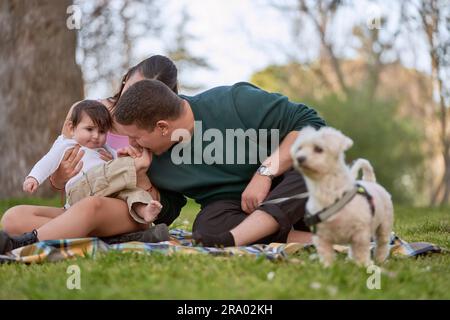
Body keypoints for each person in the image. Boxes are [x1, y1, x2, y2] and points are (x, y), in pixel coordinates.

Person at [112, 79, 326, 247]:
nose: (131, 143)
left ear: (163, 127)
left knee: (312, 163)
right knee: (207, 228)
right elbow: (166, 214)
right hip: (236, 209)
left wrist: (265, 172)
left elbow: (312, 124)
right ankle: (311, 240)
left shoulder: (234, 101)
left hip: (295, 193)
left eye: (135, 136)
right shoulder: (151, 159)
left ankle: (234, 239)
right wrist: (141, 178)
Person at [0, 56, 181, 254]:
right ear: (125, 79)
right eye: (132, 89)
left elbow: (161, 203)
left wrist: (137, 172)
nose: (134, 99)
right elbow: (60, 176)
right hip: (79, 204)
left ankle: (20, 244)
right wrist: (59, 177)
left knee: (91, 206)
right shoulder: (84, 110)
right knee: (13, 218)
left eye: (146, 96)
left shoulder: (157, 129)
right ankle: (114, 238)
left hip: (127, 209)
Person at [23, 99, 162, 225]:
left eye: (102, 132)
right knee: (124, 174)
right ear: (72, 128)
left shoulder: (104, 148)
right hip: (81, 188)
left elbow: (117, 161)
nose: (96, 136)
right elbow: (48, 161)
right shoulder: (67, 145)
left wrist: (120, 157)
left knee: (130, 192)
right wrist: (34, 177)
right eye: (89, 129)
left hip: (107, 189)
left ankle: (144, 210)